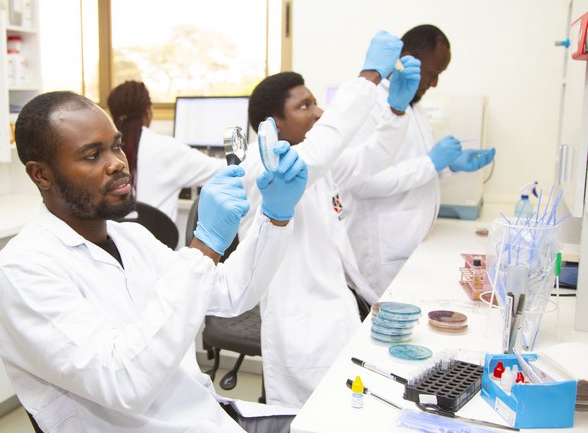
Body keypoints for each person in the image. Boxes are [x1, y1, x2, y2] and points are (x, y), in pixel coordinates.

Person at [0, 90, 310, 433]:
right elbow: (125, 383)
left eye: (116, 145)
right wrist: (204, 247)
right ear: (41, 175)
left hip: (206, 416)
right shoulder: (23, 272)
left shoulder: (132, 238)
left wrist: (275, 216)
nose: (117, 163)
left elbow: (230, 295)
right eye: (92, 155)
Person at [239, 30, 423, 408]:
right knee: (314, 418)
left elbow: (372, 157)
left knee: (349, 411)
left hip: (338, 314)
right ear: (273, 123)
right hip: (301, 326)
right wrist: (369, 78)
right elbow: (324, 148)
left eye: (316, 103)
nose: (318, 112)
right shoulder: (264, 167)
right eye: (304, 106)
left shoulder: (316, 163)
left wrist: (397, 110)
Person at [344, 24, 496, 297]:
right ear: (410, 59)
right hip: (381, 252)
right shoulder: (369, 104)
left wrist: (450, 165)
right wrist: (431, 163)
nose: (435, 83)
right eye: (434, 73)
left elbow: (414, 165)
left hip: (410, 244)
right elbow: (363, 183)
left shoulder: (415, 105)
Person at [107, 80, 224, 222]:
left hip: (111, 241)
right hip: (157, 242)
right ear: (148, 111)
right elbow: (223, 171)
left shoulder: (102, 150)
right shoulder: (168, 148)